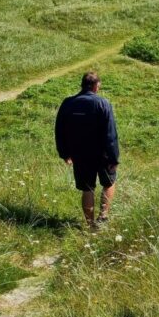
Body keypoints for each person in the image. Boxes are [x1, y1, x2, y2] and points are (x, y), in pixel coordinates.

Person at [55, 71, 120, 231]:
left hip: (80, 153)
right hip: (102, 154)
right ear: (96, 86)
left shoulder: (68, 103)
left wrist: (64, 153)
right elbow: (110, 134)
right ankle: (103, 217)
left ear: (83, 85)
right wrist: (114, 158)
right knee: (109, 183)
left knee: (87, 188)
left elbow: (60, 130)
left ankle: (90, 225)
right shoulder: (103, 103)